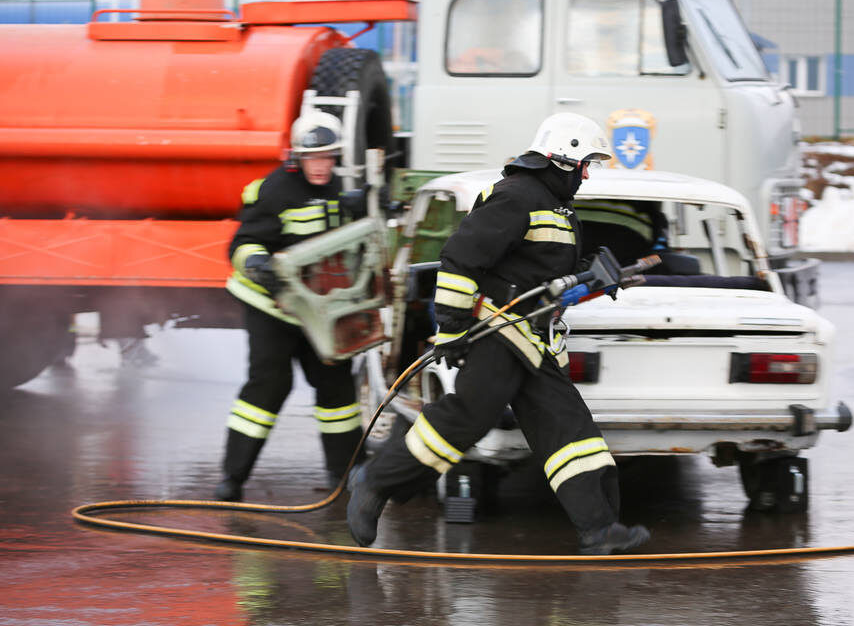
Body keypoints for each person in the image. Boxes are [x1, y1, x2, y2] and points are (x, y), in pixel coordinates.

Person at [347, 112, 652, 555]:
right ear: (564, 159)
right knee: (467, 417)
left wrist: (596, 278)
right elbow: (460, 259)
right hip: (499, 333)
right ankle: (374, 483)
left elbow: (542, 277)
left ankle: (599, 529)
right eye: (585, 163)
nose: (587, 173)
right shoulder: (518, 195)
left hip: (534, 342)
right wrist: (450, 328)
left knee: (570, 432)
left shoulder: (556, 206)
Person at [214, 109, 365, 502]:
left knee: (337, 390)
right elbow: (241, 244)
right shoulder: (273, 190)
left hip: (321, 311)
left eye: (329, 158)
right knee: (268, 386)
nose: (322, 166)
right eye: (315, 158)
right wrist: (257, 262)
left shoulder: (341, 188)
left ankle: (347, 476)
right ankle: (232, 479)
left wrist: (368, 205)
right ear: (296, 157)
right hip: (273, 308)